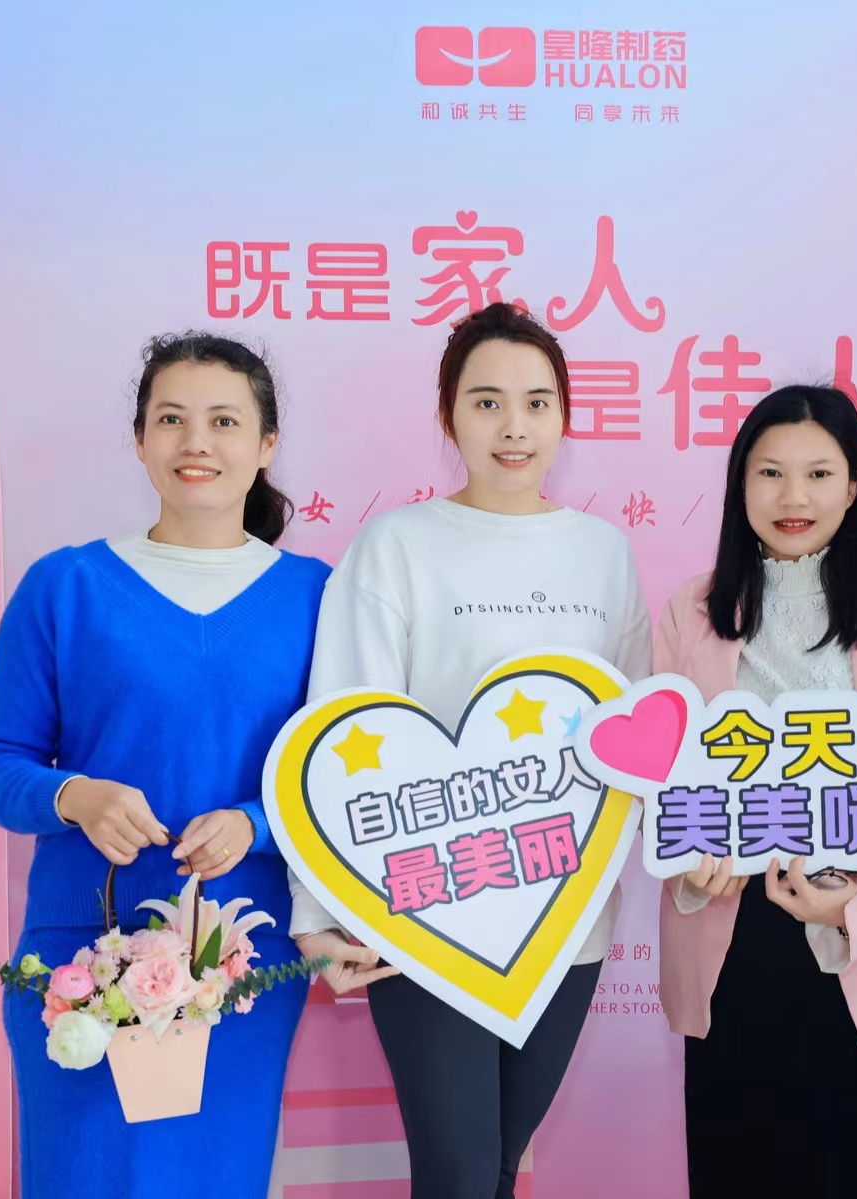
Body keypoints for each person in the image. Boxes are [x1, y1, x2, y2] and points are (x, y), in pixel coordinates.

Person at [288, 302, 651, 1199]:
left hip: (563, 917)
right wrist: (319, 910)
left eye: (537, 402)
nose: (514, 426)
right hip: (423, 910)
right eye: (487, 402)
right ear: (448, 415)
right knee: (454, 1172)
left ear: (565, 416)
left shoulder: (603, 553)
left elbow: (634, 737)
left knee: (494, 1166)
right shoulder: (397, 545)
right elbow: (340, 729)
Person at [0, 332, 329, 1196]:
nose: (196, 441)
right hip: (79, 964)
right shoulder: (66, 587)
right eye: (171, 418)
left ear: (267, 444)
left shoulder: (318, 595)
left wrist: (256, 823)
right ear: (139, 439)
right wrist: (74, 794)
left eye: (224, 420)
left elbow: (339, 779)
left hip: (241, 964)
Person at [654, 385, 857, 1198]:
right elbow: (660, 770)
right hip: (727, 933)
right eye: (770, 472)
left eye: (818, 473)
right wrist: (688, 857)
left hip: (851, 940)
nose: (793, 496)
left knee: (836, 1171)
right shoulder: (691, 611)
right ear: (740, 484)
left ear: (853, 487)